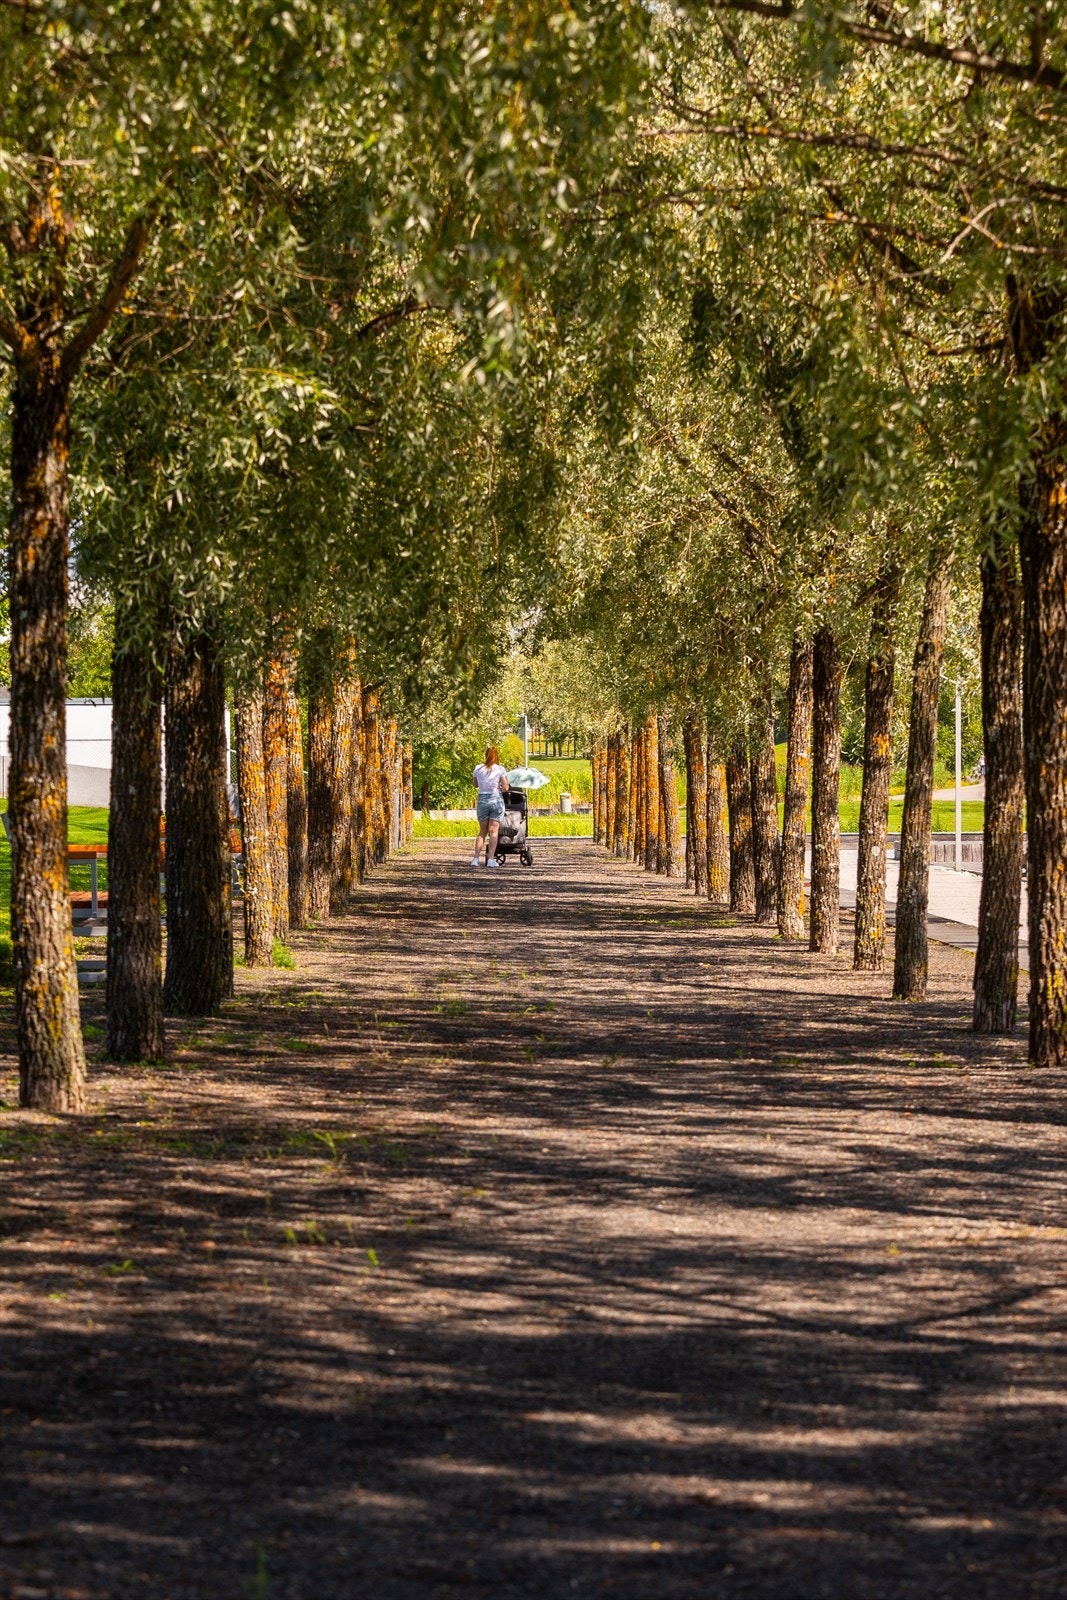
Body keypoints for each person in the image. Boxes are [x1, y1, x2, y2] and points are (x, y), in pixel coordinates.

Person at [471, 746, 510, 867]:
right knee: (493, 832)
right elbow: (505, 787)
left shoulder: (478, 768)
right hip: (496, 799)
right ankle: (491, 860)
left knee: (482, 832)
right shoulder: (500, 769)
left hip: (483, 799)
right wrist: (501, 787)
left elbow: (475, 784)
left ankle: (476, 859)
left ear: (485, 755)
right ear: (496, 756)